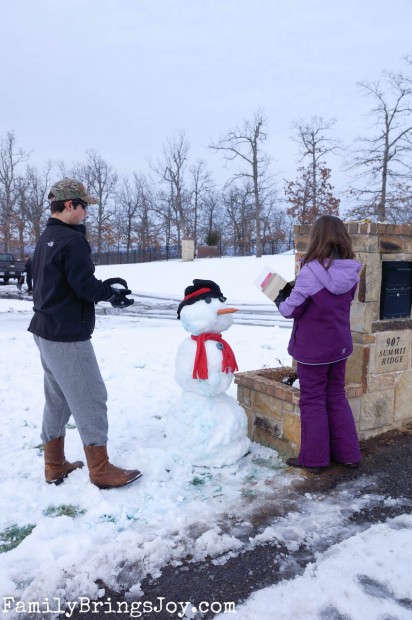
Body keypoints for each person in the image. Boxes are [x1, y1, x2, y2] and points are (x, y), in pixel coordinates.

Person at [28, 178, 142, 489]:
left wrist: (103, 287)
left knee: (58, 398)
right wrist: (110, 293)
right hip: (66, 335)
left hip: (44, 328)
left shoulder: (46, 238)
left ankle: (54, 465)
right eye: (84, 206)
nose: (86, 212)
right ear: (69, 205)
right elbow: (83, 286)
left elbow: (43, 278)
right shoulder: (71, 240)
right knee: (91, 396)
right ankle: (101, 469)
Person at [275, 215, 362, 474]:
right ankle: (348, 454)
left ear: (317, 238)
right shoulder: (351, 270)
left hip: (313, 350)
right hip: (339, 346)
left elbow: (291, 310)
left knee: (312, 400)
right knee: (336, 395)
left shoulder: (311, 271)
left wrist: (280, 298)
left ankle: (314, 459)